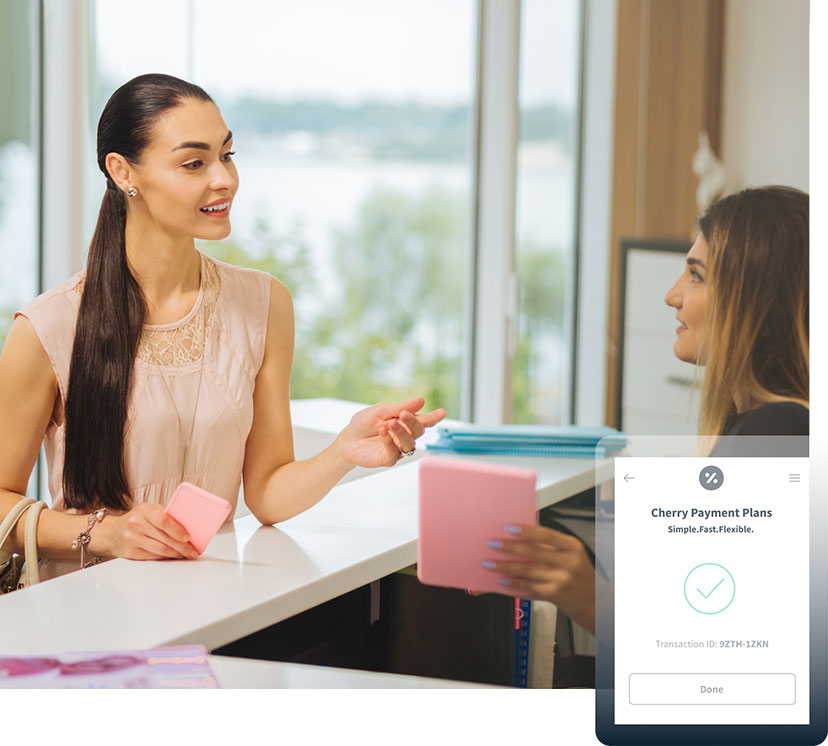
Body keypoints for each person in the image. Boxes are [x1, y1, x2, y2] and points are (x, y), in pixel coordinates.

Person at [0, 73, 445, 580]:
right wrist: (106, 533)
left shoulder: (263, 303)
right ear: (124, 172)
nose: (224, 179)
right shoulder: (48, 326)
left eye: (227, 155)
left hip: (218, 609)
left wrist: (344, 451)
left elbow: (268, 492)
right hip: (88, 617)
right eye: (194, 163)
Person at [479, 185, 809, 636]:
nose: (673, 296)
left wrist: (586, 595)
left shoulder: (777, 434)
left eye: (696, 275)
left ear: (754, 297)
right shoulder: (767, 426)